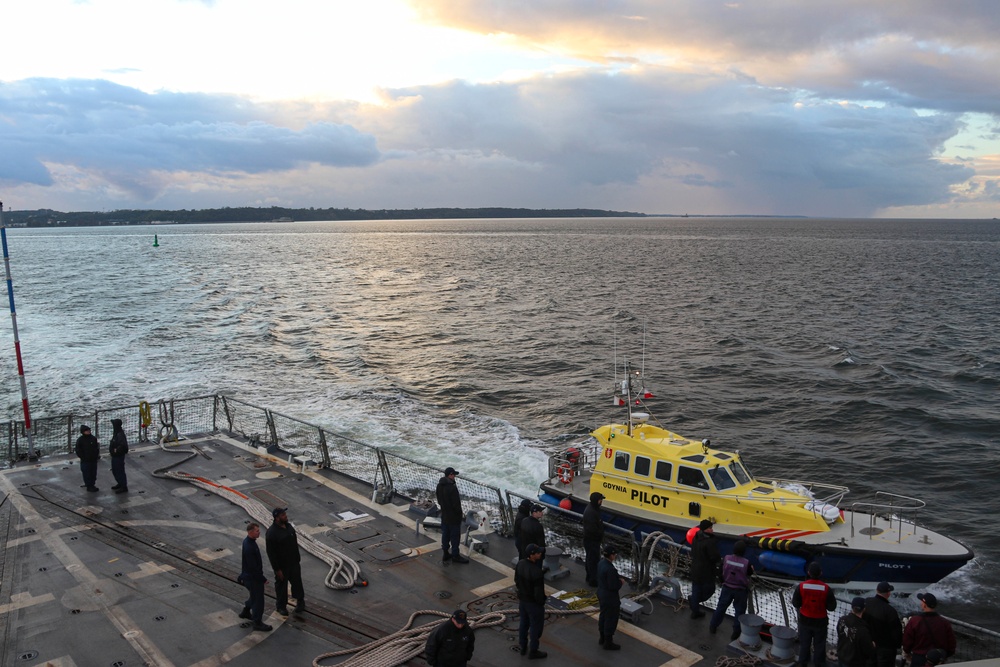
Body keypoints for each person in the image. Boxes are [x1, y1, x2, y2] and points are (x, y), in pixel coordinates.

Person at [792, 562, 838, 667]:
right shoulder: (826, 588)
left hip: (805, 620)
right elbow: (832, 607)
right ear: (820, 573)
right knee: (820, 645)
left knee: (804, 644)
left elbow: (795, 603)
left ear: (808, 573)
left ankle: (803, 662)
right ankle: (819, 663)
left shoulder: (801, 586)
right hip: (820, 621)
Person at [710, 539, 754, 640]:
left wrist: (722, 581)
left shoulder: (726, 558)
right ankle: (736, 632)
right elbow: (750, 573)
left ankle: (713, 625)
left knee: (720, 608)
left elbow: (720, 570)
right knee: (739, 611)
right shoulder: (746, 562)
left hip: (727, 587)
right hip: (740, 590)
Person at [265, 507, 305, 616]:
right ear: (277, 518)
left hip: (294, 562)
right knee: (281, 587)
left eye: (285, 514)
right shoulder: (271, 533)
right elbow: (271, 553)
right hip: (282, 566)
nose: (285, 516)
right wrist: (277, 569)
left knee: (297, 583)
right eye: (282, 515)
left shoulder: (289, 527)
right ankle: (281, 606)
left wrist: (297, 559)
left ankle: (300, 601)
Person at [902, 593, 956, 667]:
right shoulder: (945, 622)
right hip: (938, 660)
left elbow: (907, 641)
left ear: (924, 605)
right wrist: (944, 656)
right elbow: (951, 644)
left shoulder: (915, 621)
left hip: (919, 658)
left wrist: (907, 652)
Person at [514, 543, 548, 659]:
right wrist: (541, 602)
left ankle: (523, 646)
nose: (540, 554)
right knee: (535, 628)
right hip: (533, 604)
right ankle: (533, 650)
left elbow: (517, 581)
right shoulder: (536, 572)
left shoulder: (520, 564)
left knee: (523, 623)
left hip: (523, 601)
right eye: (538, 553)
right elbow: (538, 593)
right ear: (532, 555)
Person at [238, 522, 272, 632]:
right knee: (258, 600)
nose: (259, 532)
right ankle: (257, 622)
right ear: (250, 532)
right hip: (253, 578)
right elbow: (253, 567)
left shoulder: (248, 542)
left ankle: (246, 610)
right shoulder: (250, 547)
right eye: (257, 531)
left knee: (254, 596)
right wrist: (262, 579)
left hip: (248, 576)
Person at [436, 467, 469, 564]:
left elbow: (438, 499)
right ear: (450, 475)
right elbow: (456, 504)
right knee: (455, 536)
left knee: (445, 534)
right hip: (453, 517)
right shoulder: (452, 488)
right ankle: (455, 555)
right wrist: (460, 515)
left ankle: (445, 553)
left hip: (444, 514)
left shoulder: (439, 485)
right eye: (453, 474)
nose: (454, 476)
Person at [688, 519, 721, 619]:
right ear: (706, 529)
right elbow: (714, 557)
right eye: (710, 528)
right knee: (710, 589)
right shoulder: (709, 542)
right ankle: (694, 601)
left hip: (695, 568)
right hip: (706, 571)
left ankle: (695, 609)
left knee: (696, 589)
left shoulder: (695, 538)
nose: (712, 530)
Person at [865, 582, 902, 667]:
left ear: (877, 590)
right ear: (888, 594)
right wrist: (897, 646)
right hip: (885, 650)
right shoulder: (890, 611)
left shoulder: (867, 602)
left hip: (868, 645)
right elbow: (896, 633)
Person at [596, 543, 625, 650]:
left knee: (603, 615)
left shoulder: (601, 563)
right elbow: (613, 586)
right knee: (611, 618)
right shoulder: (611, 569)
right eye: (614, 554)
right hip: (610, 598)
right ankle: (608, 642)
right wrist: (621, 582)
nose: (615, 556)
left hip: (601, 593)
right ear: (611, 555)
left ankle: (602, 638)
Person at [837, 596, 877, 667]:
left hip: (842, 656)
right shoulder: (863, 629)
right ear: (864, 609)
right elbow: (868, 650)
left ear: (852, 607)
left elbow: (839, 633)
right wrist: (872, 645)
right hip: (855, 662)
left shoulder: (842, 620)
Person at [582, 492, 605, 587]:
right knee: (593, 560)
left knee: (591, 559)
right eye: (600, 500)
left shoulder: (593, 509)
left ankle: (591, 577)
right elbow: (592, 529)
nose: (601, 502)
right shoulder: (591, 512)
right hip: (592, 540)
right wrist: (599, 534)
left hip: (592, 540)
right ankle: (593, 580)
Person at [75, 424, 101, 492]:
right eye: (87, 431)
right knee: (87, 473)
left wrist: (96, 456)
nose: (88, 431)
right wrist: (83, 457)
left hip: (93, 459)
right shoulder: (80, 440)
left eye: (89, 430)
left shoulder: (93, 438)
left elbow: (96, 448)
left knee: (93, 473)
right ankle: (89, 485)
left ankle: (92, 484)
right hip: (85, 460)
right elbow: (78, 450)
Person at [108, 418, 129, 494]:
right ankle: (120, 483)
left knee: (119, 471)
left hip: (118, 456)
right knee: (115, 470)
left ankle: (123, 486)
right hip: (115, 456)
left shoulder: (120, 434)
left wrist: (116, 450)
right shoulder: (117, 433)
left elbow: (123, 446)